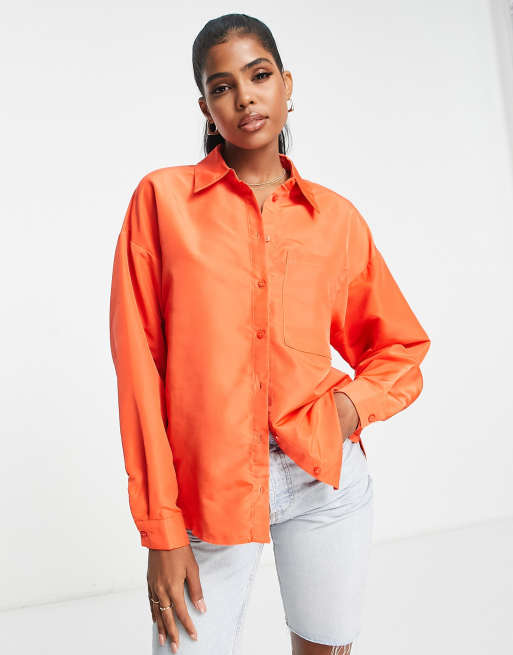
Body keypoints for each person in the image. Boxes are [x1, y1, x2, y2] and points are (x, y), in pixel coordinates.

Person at [109, 13, 431, 655]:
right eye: (222, 86)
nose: (245, 97)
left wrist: (347, 409)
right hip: (204, 489)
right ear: (206, 108)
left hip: (323, 481)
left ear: (286, 84)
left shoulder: (334, 219)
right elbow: (139, 369)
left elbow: (399, 347)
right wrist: (161, 531)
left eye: (258, 76)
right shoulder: (160, 202)